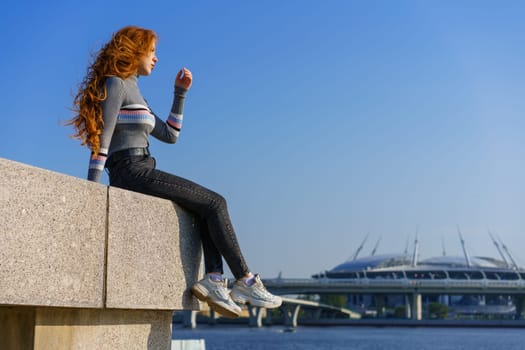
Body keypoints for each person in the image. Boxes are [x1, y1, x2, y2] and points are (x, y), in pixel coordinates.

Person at [68, 26, 281, 318]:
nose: (155, 58)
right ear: (135, 49)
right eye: (152, 51)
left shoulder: (134, 88)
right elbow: (101, 141)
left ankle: (216, 280)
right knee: (215, 202)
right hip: (130, 170)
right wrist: (92, 192)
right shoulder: (115, 84)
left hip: (144, 166)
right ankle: (244, 279)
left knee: (204, 207)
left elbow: (170, 134)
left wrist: (179, 93)